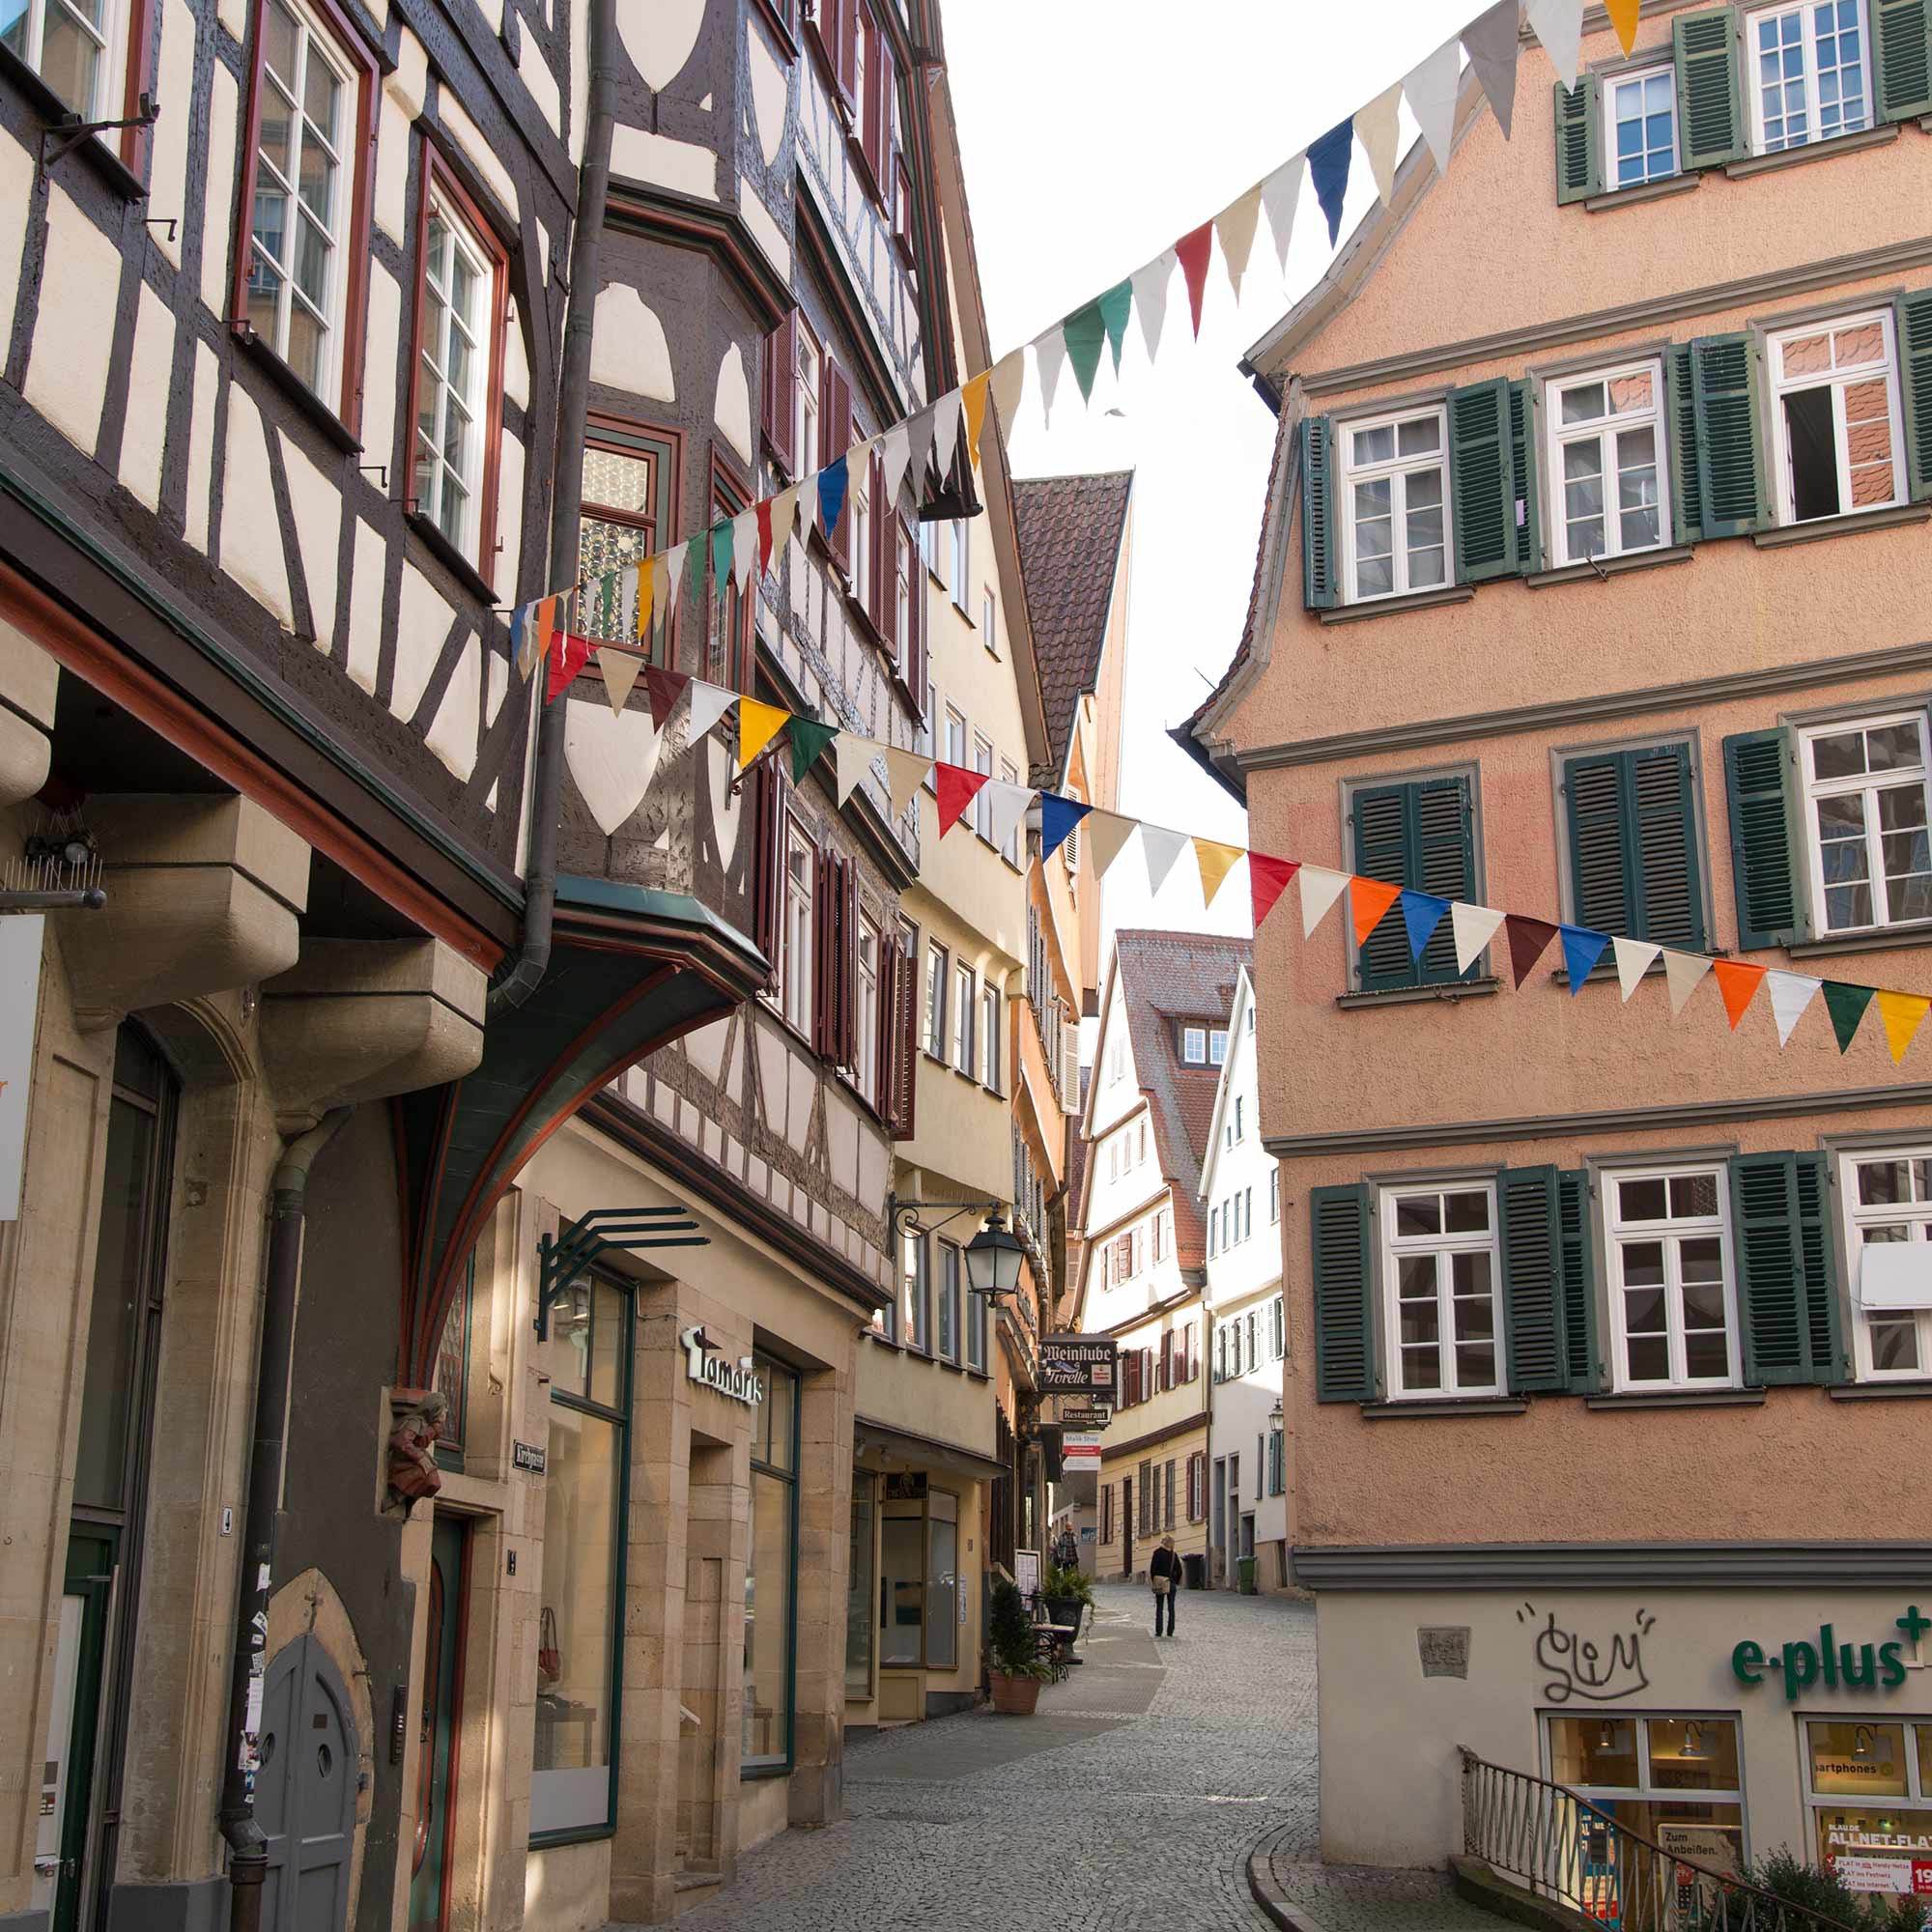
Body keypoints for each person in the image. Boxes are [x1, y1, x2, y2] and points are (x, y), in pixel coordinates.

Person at [1149, 1534, 1182, 1636]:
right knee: (1171, 1608)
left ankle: (1159, 1631)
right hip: (1171, 1583)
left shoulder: (1157, 1553)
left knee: (1159, 1608)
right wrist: (1175, 1581)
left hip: (1160, 1582)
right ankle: (1170, 1631)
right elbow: (1179, 1570)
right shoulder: (1173, 1555)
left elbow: (1152, 1569)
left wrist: (1154, 1580)